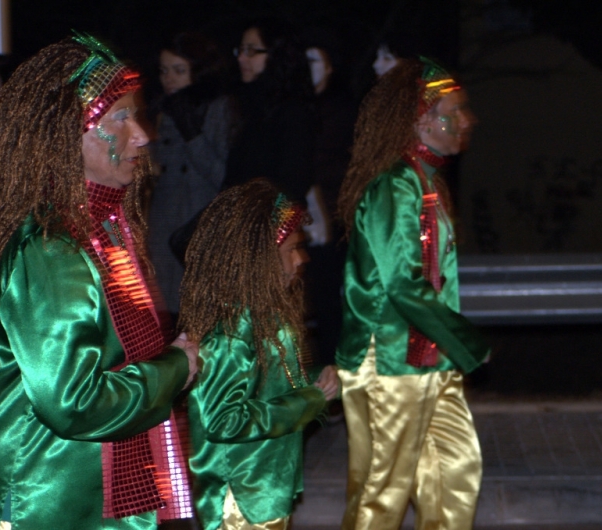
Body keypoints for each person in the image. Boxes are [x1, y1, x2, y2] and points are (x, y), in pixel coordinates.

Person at [0, 34, 199, 530]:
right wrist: (177, 366)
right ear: (68, 134)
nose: (142, 135)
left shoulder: (104, 227)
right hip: (40, 500)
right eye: (120, 118)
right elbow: (73, 402)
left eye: (137, 115)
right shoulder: (52, 247)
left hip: (86, 496)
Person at [335, 58, 489, 530]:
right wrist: (468, 342)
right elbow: (402, 283)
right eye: (454, 112)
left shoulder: (425, 180)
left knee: (453, 470)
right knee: (382, 494)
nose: (467, 120)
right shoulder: (393, 186)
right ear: (421, 120)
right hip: (389, 359)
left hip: (430, 357)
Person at [180, 179, 338, 530]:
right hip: (241, 499)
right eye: (292, 249)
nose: (302, 259)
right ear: (261, 259)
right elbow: (224, 421)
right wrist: (310, 400)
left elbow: (274, 386)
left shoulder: (267, 316)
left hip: (266, 488)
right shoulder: (232, 330)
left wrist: (319, 381)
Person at [147, 31, 237, 320]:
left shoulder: (218, 107)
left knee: (198, 309)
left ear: (199, 71)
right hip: (164, 222)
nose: (169, 78)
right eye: (164, 71)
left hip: (199, 220)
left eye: (179, 70)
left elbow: (221, 174)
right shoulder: (162, 110)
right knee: (165, 310)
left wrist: (192, 134)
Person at [301, 28, 357, 367]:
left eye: (314, 61)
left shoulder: (341, 110)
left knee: (328, 300)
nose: (308, 68)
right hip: (303, 215)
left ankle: (333, 369)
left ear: (331, 66)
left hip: (333, 218)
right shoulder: (299, 107)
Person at [222, 18, 316, 202]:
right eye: (241, 50)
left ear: (276, 54)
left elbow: (293, 186)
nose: (241, 58)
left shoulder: (293, 112)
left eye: (251, 51)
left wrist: (269, 221)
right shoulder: (248, 105)